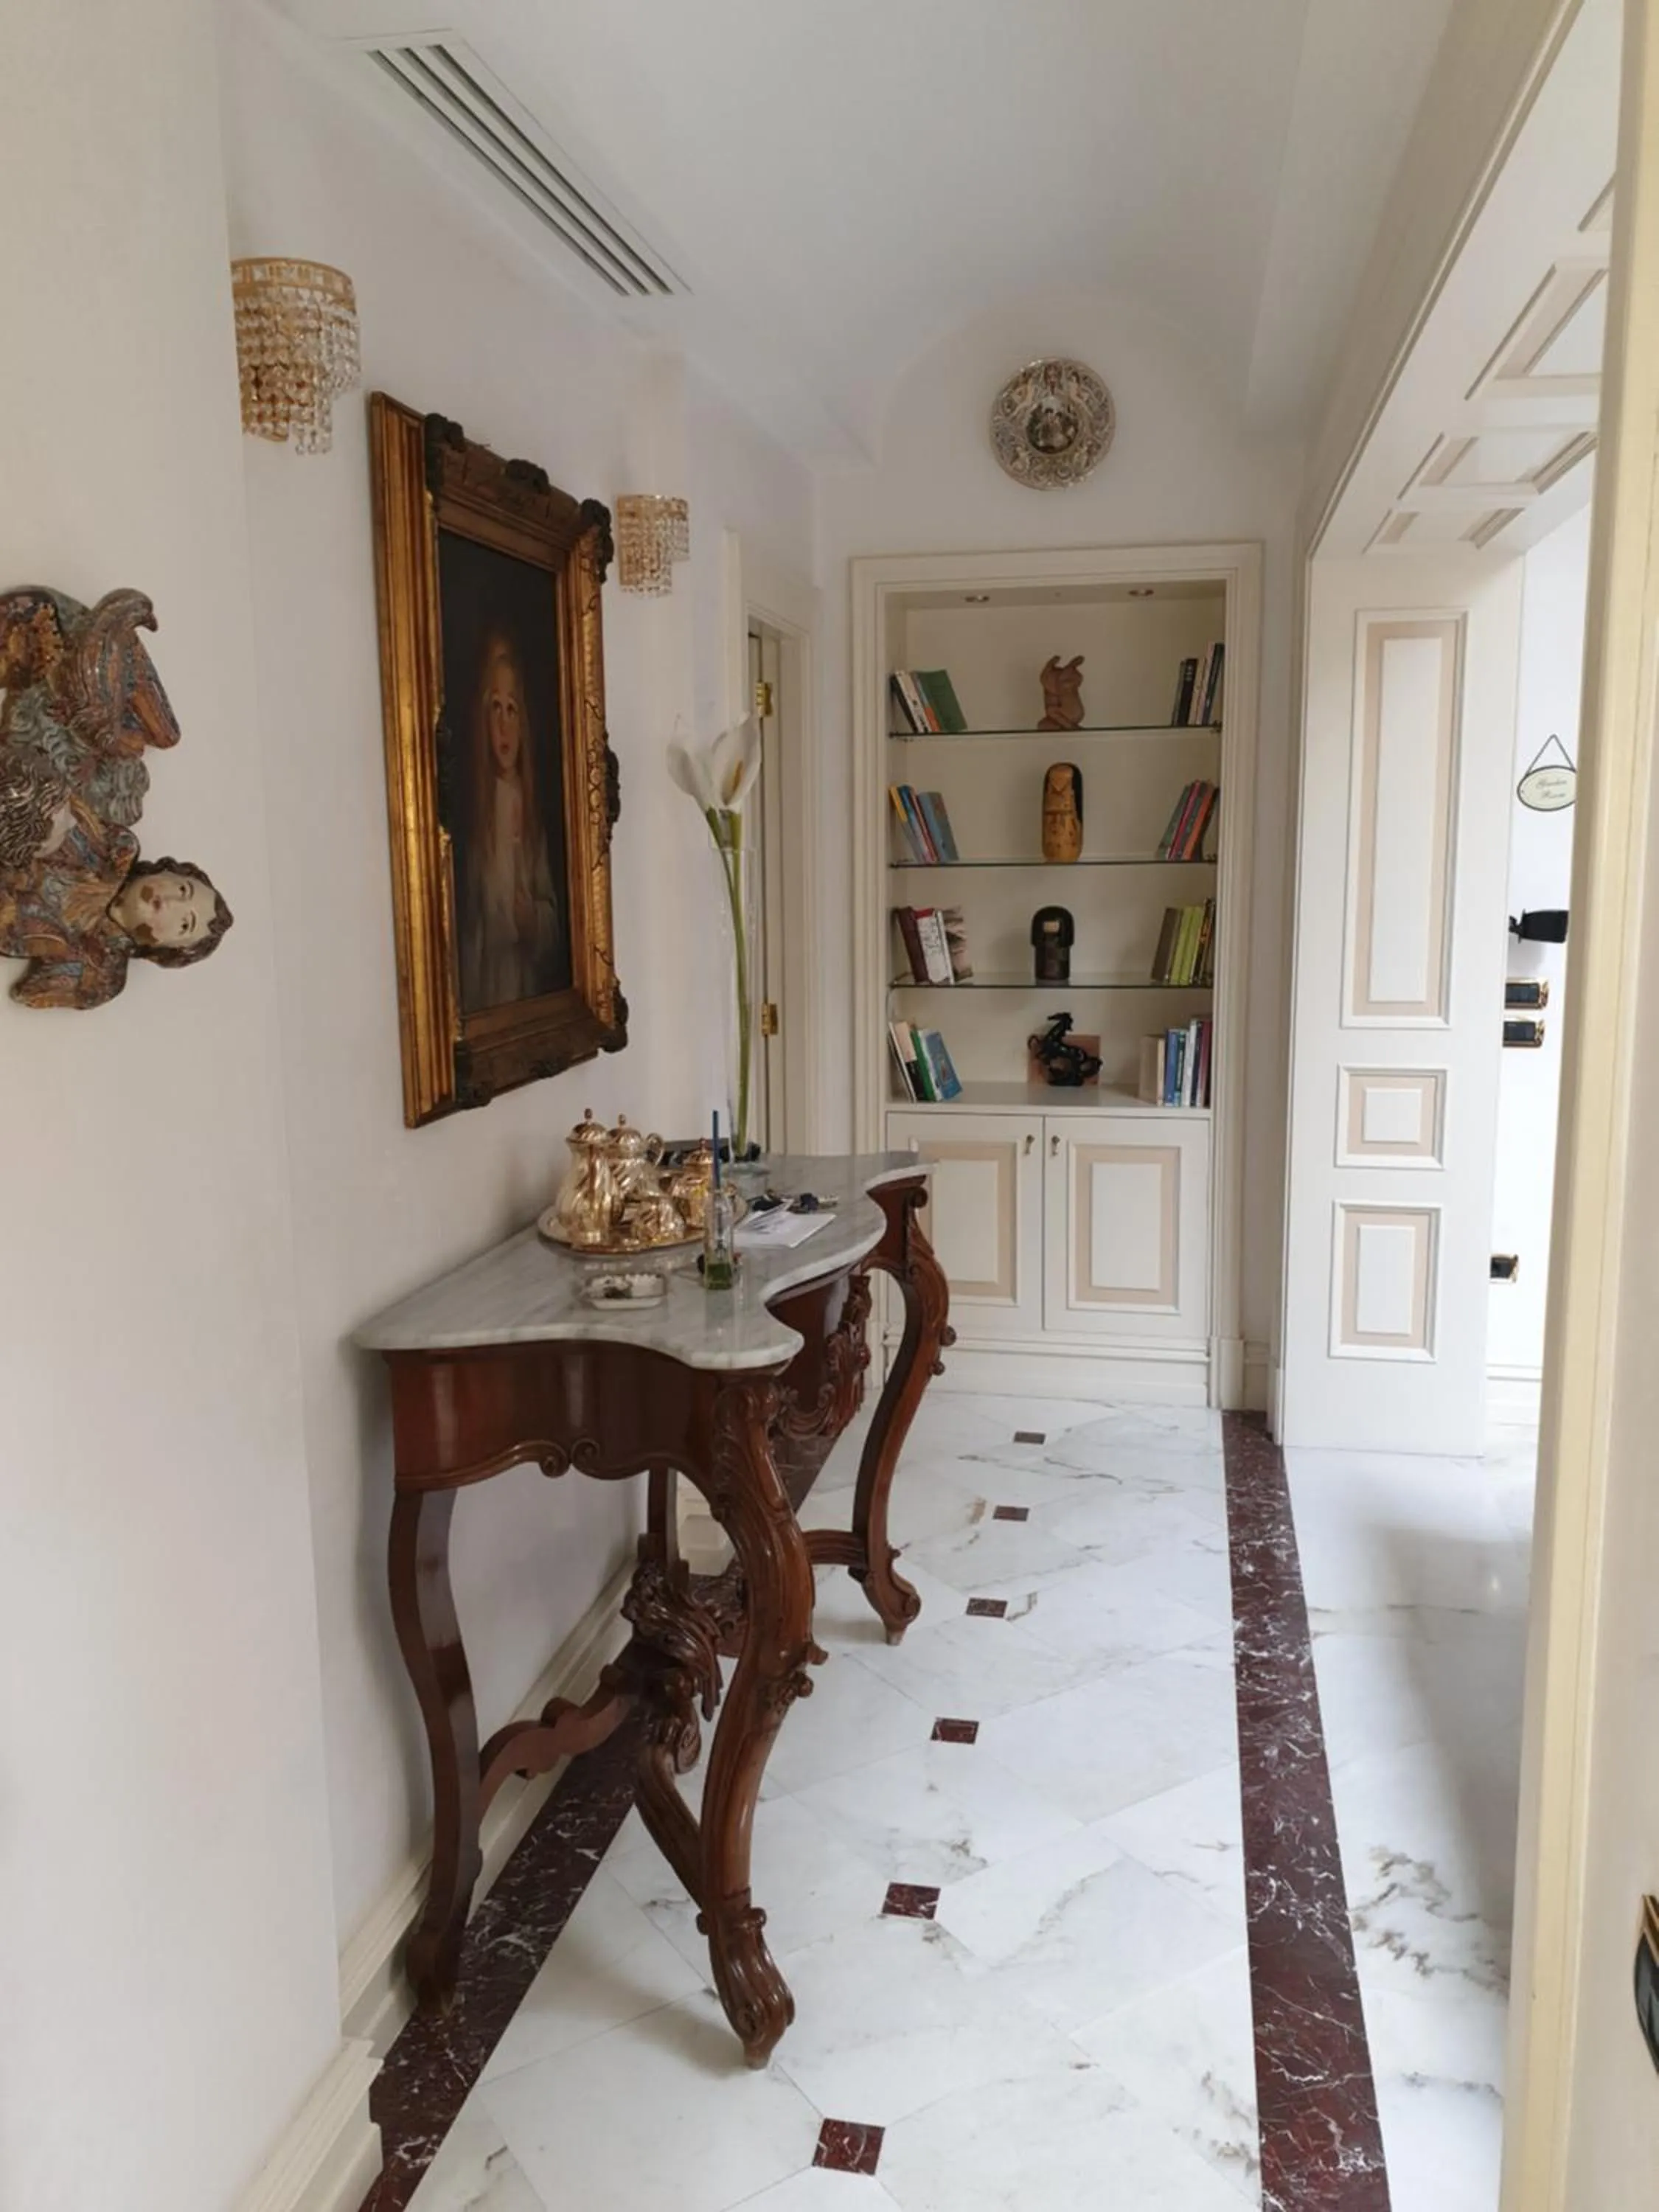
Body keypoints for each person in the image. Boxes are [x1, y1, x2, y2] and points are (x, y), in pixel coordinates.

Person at [459, 628, 564, 1009]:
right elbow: (468, 927)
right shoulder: (477, 817)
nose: (504, 725)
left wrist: (532, 921)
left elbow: (554, 921)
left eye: (512, 710)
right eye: (496, 708)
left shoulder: (531, 812)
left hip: (524, 989)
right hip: (486, 993)